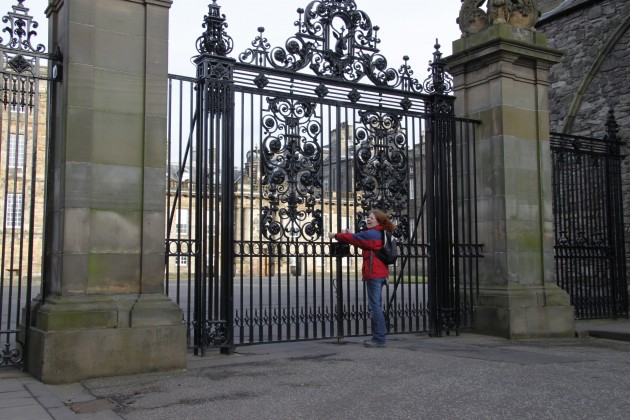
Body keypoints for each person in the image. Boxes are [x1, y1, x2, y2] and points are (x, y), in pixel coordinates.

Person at [328, 209, 396, 348]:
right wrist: (350, 234)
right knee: (376, 305)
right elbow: (358, 239)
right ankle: (379, 337)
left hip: (374, 274)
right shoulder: (379, 233)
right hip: (381, 274)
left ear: (378, 220)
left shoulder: (373, 233)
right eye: (368, 217)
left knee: (375, 307)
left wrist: (335, 235)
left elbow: (355, 239)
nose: (368, 219)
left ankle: (379, 339)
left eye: (371, 218)